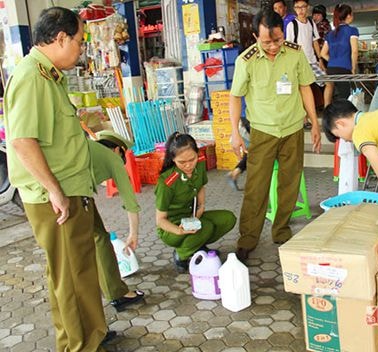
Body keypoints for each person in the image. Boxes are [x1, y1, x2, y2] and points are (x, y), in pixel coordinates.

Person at [4, 7, 108, 351]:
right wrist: (55, 191)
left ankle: (86, 336)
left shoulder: (48, 75)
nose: (81, 49)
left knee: (74, 273)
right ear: (60, 38)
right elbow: (21, 141)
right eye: (78, 41)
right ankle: (81, 345)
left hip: (69, 189)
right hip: (56, 197)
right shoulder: (32, 77)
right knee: (72, 278)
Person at [229, 10, 321, 261]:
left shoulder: (294, 53)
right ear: (254, 36)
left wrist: (314, 123)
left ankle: (281, 231)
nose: (272, 46)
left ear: (283, 32)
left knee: (289, 185)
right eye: (266, 41)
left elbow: (305, 88)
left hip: (292, 129)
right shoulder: (245, 61)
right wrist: (234, 132)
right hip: (263, 131)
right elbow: (235, 97)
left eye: (277, 40)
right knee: (256, 189)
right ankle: (248, 238)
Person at [155, 132, 236, 272]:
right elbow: (160, 220)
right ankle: (181, 254)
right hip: (172, 227)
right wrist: (179, 231)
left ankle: (197, 246)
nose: (188, 165)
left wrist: (201, 206)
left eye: (192, 159)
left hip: (192, 216)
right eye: (182, 162)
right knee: (205, 227)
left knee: (228, 219)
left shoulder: (200, 163)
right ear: (173, 159)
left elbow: (201, 186)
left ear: (197, 154)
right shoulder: (167, 182)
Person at [90, 131, 145, 311]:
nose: (123, 160)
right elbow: (130, 200)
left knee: (97, 237)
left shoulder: (89, 149)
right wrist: (133, 233)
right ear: (116, 150)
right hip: (72, 197)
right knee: (99, 240)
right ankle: (116, 293)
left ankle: (111, 290)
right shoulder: (112, 158)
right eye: (123, 155)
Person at [286, 0, 325, 128]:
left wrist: (320, 59)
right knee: (302, 90)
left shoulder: (311, 22)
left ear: (307, 8)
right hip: (298, 63)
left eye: (303, 7)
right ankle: (304, 119)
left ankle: (326, 111)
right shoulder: (292, 25)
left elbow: (315, 41)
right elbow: (289, 45)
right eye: (298, 7)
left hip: (312, 61)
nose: (301, 10)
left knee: (327, 81)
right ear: (294, 9)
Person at [320, 4, 359, 105]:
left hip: (331, 68)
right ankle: (342, 116)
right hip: (345, 68)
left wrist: (333, 60)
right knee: (345, 96)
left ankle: (326, 113)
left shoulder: (330, 34)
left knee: (329, 90)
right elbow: (354, 51)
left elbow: (323, 53)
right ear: (349, 16)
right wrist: (353, 68)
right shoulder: (352, 30)